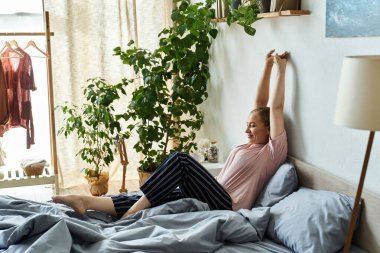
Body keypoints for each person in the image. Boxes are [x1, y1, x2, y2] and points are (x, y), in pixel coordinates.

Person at [52, 49, 289, 219]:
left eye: (253, 126)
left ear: (270, 129)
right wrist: (266, 66)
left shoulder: (271, 152)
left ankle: (132, 215)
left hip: (227, 205)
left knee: (181, 160)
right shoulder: (251, 144)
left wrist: (282, 70)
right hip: (211, 193)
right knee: (159, 193)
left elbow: (275, 108)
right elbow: (261, 104)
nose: (246, 129)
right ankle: (86, 201)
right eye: (247, 124)